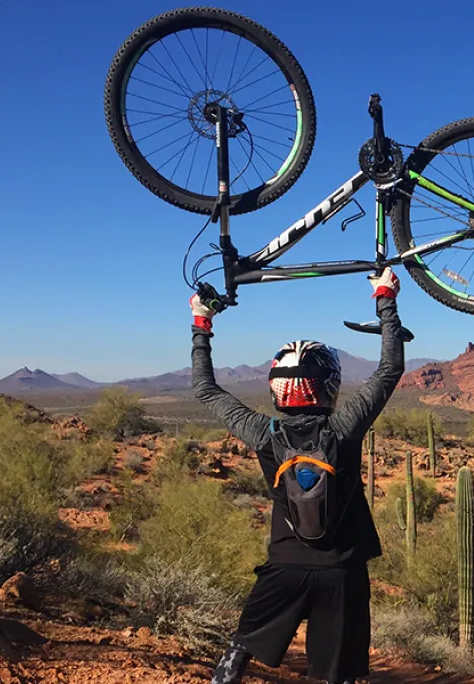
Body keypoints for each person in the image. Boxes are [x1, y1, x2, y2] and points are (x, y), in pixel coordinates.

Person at [190, 268, 405, 684]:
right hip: (342, 568)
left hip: (284, 564)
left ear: (276, 388)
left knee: (240, 650)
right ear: (329, 384)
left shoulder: (264, 434)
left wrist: (202, 322)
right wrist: (385, 297)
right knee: (335, 675)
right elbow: (389, 369)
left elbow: (205, 388)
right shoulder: (342, 429)